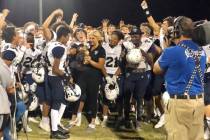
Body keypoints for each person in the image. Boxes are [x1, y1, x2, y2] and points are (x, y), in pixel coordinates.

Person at [153, 16, 206, 140]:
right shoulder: (201, 51)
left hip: (180, 103)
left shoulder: (172, 51)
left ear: (177, 30)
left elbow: (156, 69)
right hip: (198, 102)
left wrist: (166, 49)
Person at [76, 30, 106, 131]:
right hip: (83, 75)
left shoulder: (101, 50)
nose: (91, 40)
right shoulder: (87, 47)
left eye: (93, 38)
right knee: (79, 95)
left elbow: (100, 65)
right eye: (90, 38)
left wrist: (90, 61)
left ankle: (93, 121)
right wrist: (83, 57)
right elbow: (83, 61)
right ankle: (77, 117)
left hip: (94, 77)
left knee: (93, 98)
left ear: (98, 38)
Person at [47, 26, 71, 139]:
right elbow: (55, 69)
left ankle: (56, 125)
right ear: (63, 36)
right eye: (68, 36)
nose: (69, 39)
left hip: (53, 76)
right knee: (56, 103)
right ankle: (54, 132)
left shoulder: (52, 44)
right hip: (55, 77)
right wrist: (67, 76)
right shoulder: (60, 48)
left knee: (62, 101)